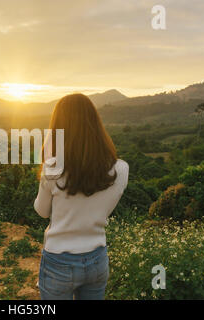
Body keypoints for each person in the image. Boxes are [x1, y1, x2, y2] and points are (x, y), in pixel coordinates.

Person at [34, 93, 129, 300]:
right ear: (95, 123)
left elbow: (42, 212)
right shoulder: (121, 169)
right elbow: (102, 210)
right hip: (97, 259)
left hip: (59, 261)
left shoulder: (54, 168)